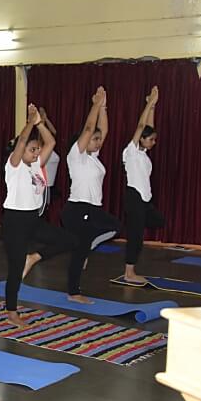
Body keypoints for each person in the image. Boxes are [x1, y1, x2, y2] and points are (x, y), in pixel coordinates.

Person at [1, 105, 75, 327]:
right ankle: (11, 311)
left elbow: (51, 142)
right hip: (14, 221)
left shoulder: (35, 166)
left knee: (69, 240)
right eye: (32, 149)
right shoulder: (13, 166)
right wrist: (29, 123)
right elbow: (22, 142)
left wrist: (40, 122)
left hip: (33, 220)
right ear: (20, 150)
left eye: (36, 150)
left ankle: (33, 257)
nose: (35, 153)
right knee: (15, 270)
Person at [61, 87, 120, 304]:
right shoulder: (76, 156)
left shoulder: (93, 157)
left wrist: (103, 106)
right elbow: (89, 128)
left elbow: (103, 131)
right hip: (77, 209)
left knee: (115, 226)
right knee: (79, 251)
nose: (98, 142)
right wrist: (94, 105)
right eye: (93, 140)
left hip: (91, 208)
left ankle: (86, 250)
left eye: (97, 140)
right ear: (83, 142)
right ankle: (73, 292)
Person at [121, 87, 164, 285]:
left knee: (158, 221)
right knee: (136, 237)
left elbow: (147, 127)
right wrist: (148, 103)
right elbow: (141, 126)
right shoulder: (131, 152)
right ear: (142, 140)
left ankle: (130, 225)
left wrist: (153, 106)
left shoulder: (143, 155)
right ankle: (129, 272)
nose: (154, 142)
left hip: (144, 200)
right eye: (151, 139)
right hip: (134, 197)